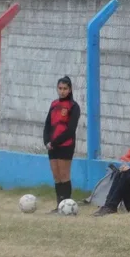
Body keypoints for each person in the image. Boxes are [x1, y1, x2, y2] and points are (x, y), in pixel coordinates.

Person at [43, 75, 80, 212]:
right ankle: (59, 205)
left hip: (65, 145)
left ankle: (67, 206)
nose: (62, 91)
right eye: (60, 88)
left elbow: (71, 130)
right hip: (52, 146)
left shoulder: (73, 106)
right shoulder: (54, 104)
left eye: (65, 88)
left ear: (70, 90)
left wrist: (55, 142)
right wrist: (46, 141)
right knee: (56, 175)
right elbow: (47, 124)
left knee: (64, 175)